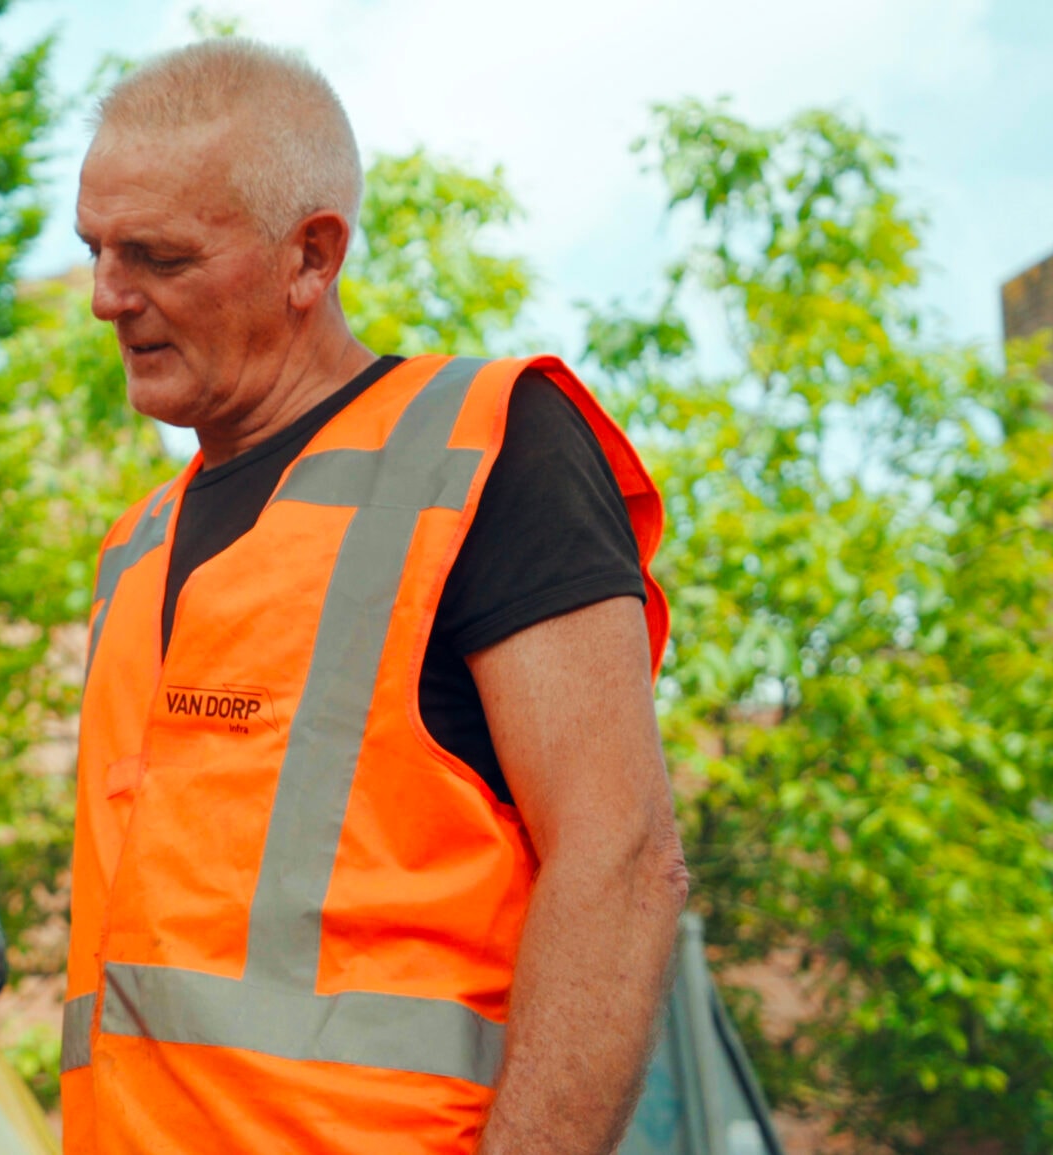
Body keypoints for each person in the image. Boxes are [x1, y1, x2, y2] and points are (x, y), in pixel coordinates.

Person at [58, 40, 688, 1154]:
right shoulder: (134, 547)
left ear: (312, 255)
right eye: (97, 250)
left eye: (156, 256)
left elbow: (622, 859)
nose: (109, 298)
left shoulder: (488, 448)